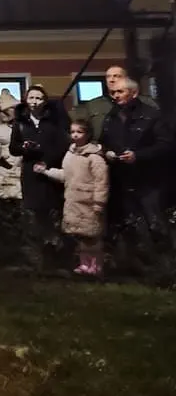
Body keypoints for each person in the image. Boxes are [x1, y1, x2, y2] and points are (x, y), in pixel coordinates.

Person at [100, 77, 173, 274]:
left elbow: (166, 145)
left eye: (120, 92)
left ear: (134, 92)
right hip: (121, 180)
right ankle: (133, 269)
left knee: (155, 225)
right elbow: (103, 142)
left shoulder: (151, 116)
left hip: (148, 180)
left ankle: (165, 270)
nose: (115, 96)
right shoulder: (110, 117)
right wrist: (106, 152)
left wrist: (138, 156)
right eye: (113, 93)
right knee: (126, 225)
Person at [36, 120, 109, 276]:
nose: (75, 135)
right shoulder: (70, 154)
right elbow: (66, 175)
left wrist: (99, 203)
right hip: (74, 199)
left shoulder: (94, 157)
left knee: (92, 236)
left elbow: (101, 181)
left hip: (89, 201)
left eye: (79, 132)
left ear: (88, 134)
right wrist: (46, 171)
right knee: (81, 236)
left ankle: (96, 265)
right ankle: (84, 264)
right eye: (73, 131)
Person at [10, 85, 70, 268]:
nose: (35, 102)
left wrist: (47, 160)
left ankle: (56, 256)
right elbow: (13, 148)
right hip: (30, 172)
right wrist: (25, 147)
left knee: (52, 213)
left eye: (39, 98)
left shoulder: (53, 121)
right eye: (31, 98)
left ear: (45, 101)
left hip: (50, 171)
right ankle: (37, 259)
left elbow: (62, 145)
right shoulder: (20, 122)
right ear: (26, 100)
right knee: (33, 215)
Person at [71, 65, 157, 141]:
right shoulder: (93, 105)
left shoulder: (145, 102)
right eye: (108, 77)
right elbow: (82, 128)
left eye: (116, 76)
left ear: (126, 78)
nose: (111, 80)